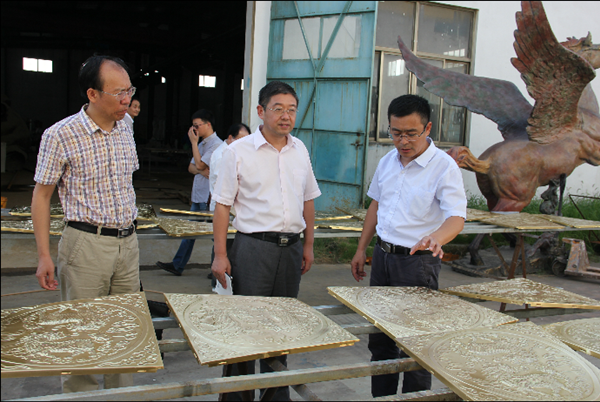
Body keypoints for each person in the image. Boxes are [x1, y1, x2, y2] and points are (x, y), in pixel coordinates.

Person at [32, 55, 139, 393]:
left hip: (128, 244)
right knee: (82, 333)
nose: (127, 99)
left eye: (129, 90)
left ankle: (123, 397)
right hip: (86, 245)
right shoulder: (61, 135)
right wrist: (44, 255)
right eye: (118, 92)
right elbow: (41, 196)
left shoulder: (126, 126)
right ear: (93, 94)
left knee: (124, 330)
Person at [350, 95, 467, 398]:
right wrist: (362, 249)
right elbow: (375, 206)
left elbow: (456, 217)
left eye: (411, 133)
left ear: (428, 128)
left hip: (417, 263)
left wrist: (437, 237)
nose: (403, 141)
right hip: (383, 258)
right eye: (396, 133)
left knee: (415, 343)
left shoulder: (443, 167)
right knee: (380, 340)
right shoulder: (387, 161)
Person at [211, 81, 321, 400]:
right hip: (252, 249)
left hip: (291, 250)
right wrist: (221, 254)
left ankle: (275, 397)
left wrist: (308, 245)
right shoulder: (237, 152)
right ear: (261, 111)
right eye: (278, 109)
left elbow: (308, 200)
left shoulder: (300, 150)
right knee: (244, 327)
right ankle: (237, 396)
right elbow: (222, 205)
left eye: (291, 110)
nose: (286, 116)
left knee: (282, 327)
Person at [156, 109, 223, 276]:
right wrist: (201, 169)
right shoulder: (202, 144)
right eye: (193, 126)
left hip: (208, 197)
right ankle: (178, 265)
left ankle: (217, 268)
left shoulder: (216, 145)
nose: (194, 130)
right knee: (190, 232)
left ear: (208, 125)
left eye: (197, 126)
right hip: (198, 195)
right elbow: (191, 168)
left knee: (216, 235)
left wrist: (193, 144)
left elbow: (198, 165)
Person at [207, 123, 251, 289]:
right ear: (230, 138)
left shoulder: (234, 152)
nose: (244, 143)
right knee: (222, 248)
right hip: (223, 208)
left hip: (231, 209)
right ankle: (218, 284)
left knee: (227, 246)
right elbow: (225, 189)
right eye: (241, 139)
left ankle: (222, 283)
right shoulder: (223, 155)